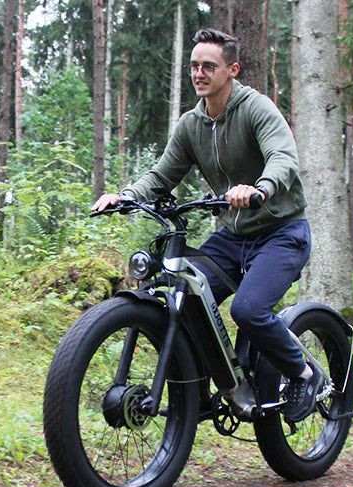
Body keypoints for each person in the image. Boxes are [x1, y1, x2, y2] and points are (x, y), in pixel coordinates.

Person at [91, 28, 321, 422]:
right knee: (181, 295)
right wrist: (126, 196)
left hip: (282, 233)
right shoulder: (191, 125)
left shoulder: (256, 108)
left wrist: (259, 188)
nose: (199, 73)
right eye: (194, 66)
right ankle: (217, 386)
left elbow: (283, 158)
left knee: (249, 311)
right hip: (232, 236)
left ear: (231, 70)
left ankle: (304, 373)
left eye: (208, 66)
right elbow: (161, 175)